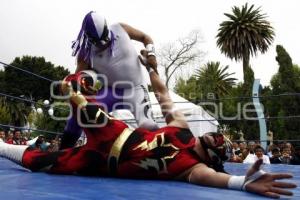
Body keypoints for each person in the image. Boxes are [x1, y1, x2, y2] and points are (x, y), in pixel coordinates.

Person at [0, 61, 297, 198]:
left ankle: (1, 147)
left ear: (213, 154)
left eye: (221, 142)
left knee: (39, 163)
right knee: (83, 102)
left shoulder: (193, 169)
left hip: (100, 163)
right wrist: (153, 67)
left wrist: (242, 183)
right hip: (117, 134)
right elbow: (163, 95)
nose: (220, 137)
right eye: (221, 135)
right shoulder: (181, 127)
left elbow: (220, 180)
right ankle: (75, 87)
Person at [60, 11, 159, 149]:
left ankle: (160, 155)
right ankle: (62, 153)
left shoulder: (120, 28)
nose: (103, 45)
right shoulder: (86, 52)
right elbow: (78, 79)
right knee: (80, 114)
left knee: (148, 125)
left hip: (136, 88)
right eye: (98, 42)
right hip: (110, 90)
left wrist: (151, 54)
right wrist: (78, 84)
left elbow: (145, 37)